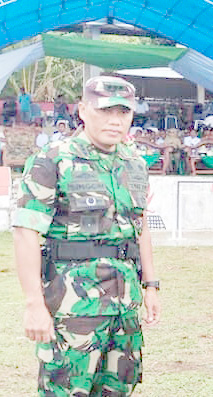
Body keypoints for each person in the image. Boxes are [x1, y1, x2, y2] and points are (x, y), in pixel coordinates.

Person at [12, 75, 161, 395]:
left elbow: (141, 226)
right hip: (73, 310)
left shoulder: (134, 163)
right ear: (83, 110)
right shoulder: (53, 159)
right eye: (105, 111)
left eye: (123, 112)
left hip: (124, 308)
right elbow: (26, 233)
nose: (115, 121)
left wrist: (151, 285)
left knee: (117, 389)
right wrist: (33, 304)